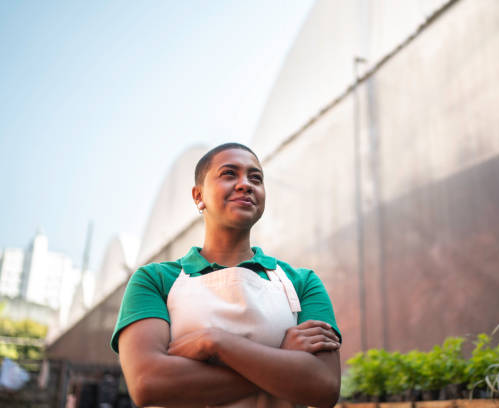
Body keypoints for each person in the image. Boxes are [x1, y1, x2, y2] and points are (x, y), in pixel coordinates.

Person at [111, 143, 342, 408]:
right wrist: (282, 359)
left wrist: (215, 342)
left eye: (255, 178)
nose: (245, 184)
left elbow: (324, 386)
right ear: (199, 196)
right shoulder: (153, 280)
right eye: (229, 174)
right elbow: (148, 384)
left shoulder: (303, 283)